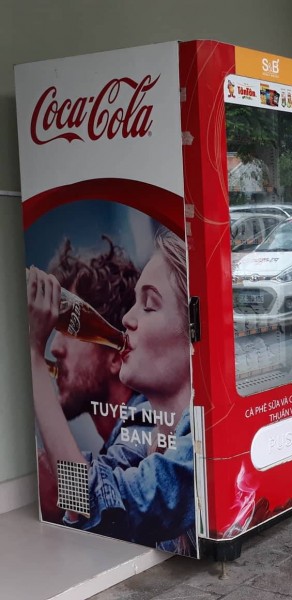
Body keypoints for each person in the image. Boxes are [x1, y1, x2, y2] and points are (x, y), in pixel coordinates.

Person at [27, 228, 195, 555]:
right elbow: (86, 492)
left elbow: (89, 503)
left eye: (149, 305)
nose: (127, 320)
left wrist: (33, 357)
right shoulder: (143, 423)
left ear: (193, 334)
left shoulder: (198, 444)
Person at [32, 236, 149, 522]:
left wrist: (33, 356)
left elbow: (80, 498)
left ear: (116, 355)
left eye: (69, 331)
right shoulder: (118, 440)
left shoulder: (147, 422)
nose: (56, 348)